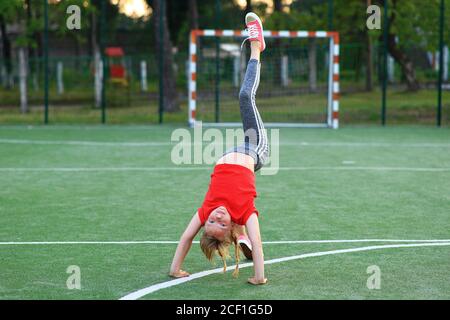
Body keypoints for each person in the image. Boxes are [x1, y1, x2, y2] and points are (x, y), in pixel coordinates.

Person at [169, 12, 269, 285]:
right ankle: (256, 47)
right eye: (223, 223)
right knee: (245, 96)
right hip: (255, 149)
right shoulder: (244, 210)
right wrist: (259, 277)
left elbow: (187, 237)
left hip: (236, 148)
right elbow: (261, 243)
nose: (218, 216)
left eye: (213, 221)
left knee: (243, 97)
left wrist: (175, 269)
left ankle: (240, 237)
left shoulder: (207, 208)